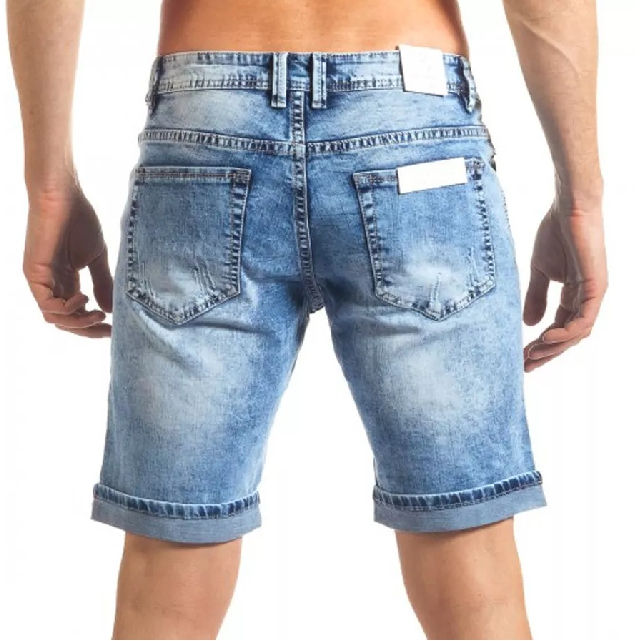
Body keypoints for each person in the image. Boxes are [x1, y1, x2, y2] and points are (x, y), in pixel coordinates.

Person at [7, 0, 607, 638]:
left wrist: (49, 188)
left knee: (169, 565)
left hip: (208, 120)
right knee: (469, 548)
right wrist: (581, 199)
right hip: (409, 119)